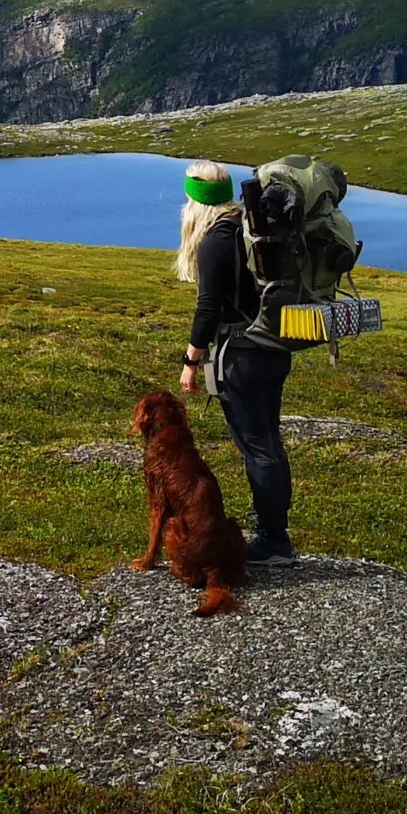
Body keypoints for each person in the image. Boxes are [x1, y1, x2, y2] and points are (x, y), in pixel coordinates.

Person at [174, 159, 297, 566]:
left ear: (195, 204)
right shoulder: (251, 229)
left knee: (256, 448)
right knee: (270, 442)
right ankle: (276, 530)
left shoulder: (214, 240)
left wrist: (191, 360)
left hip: (241, 355)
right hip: (273, 348)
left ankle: (273, 540)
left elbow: (208, 307)